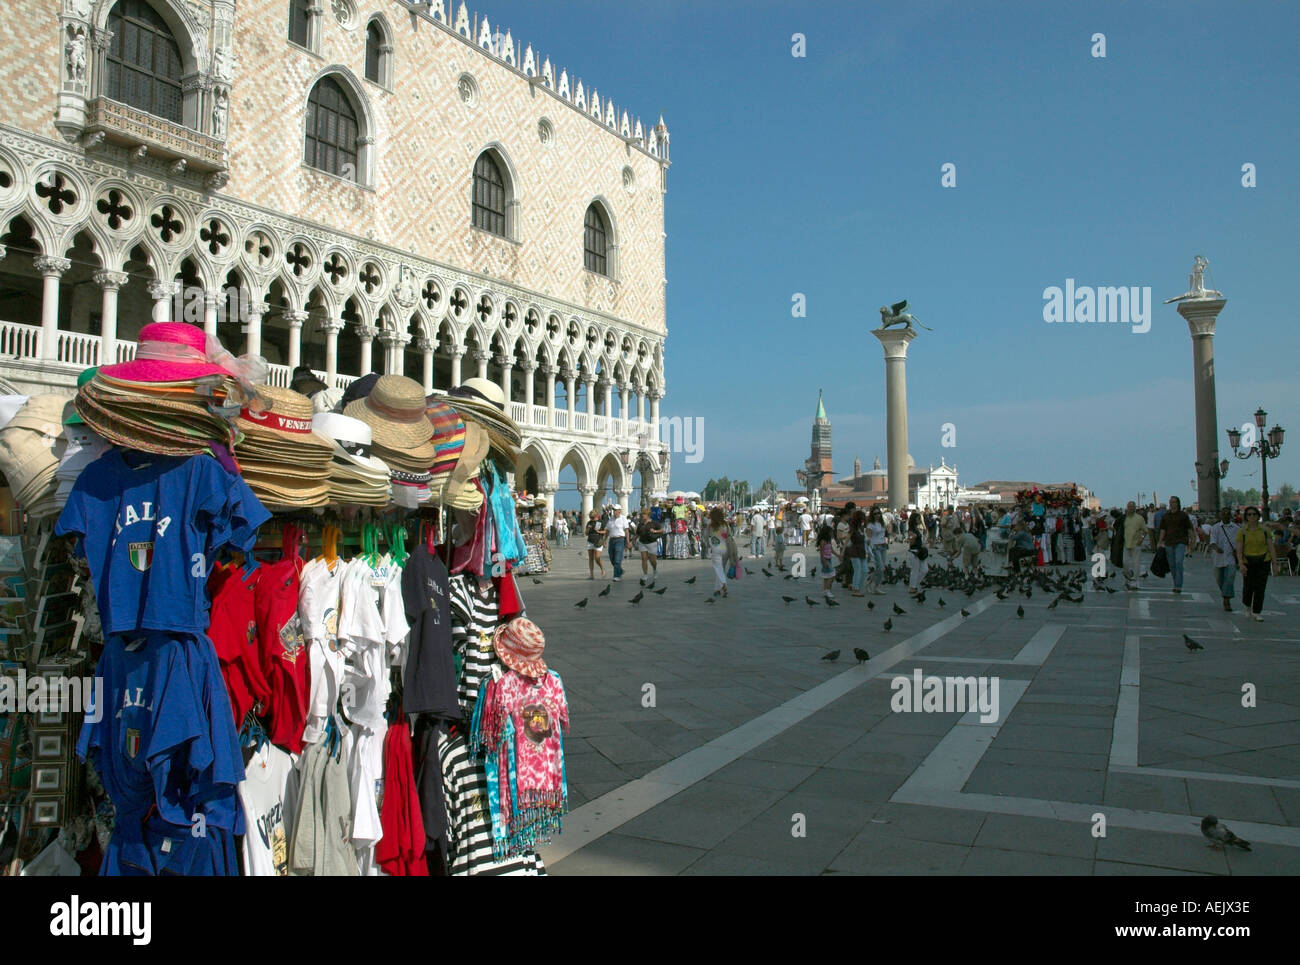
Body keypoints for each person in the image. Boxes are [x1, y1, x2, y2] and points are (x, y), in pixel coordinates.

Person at [1235, 507, 1277, 621]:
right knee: (1248, 586)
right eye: (1249, 515)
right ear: (1246, 517)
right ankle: (1247, 606)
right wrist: (1240, 563)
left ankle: (1257, 611)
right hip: (1248, 561)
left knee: (1260, 587)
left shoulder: (1265, 531)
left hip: (1263, 560)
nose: (1252, 517)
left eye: (1254, 514)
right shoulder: (1242, 532)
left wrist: (1274, 562)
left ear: (1258, 516)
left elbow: (1270, 546)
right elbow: (1239, 549)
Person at [1156, 495, 1193, 593]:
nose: (1172, 504)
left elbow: (1189, 529)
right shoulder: (1166, 516)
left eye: (1173, 502)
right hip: (1169, 542)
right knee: (1172, 565)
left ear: (1178, 503)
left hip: (1181, 542)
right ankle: (1175, 582)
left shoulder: (1183, 515)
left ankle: (1178, 585)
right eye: (1170, 502)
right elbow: (1163, 530)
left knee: (1179, 562)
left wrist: (1192, 541)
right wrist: (1160, 541)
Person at [1208, 507, 1240, 611]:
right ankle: (1225, 594)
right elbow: (1212, 541)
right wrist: (1216, 548)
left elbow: (1239, 543)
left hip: (1231, 558)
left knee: (1229, 578)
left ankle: (1227, 600)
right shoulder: (1215, 528)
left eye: (1227, 513)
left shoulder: (1236, 528)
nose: (1225, 515)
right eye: (1223, 513)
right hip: (1218, 558)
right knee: (1220, 579)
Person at [704, 506, 736, 598]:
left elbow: (706, 536)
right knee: (721, 568)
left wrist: (708, 545)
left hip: (716, 548)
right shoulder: (725, 524)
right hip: (725, 547)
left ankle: (723, 584)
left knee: (718, 569)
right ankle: (717, 590)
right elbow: (729, 535)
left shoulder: (710, 524)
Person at [634, 509, 664, 587]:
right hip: (642, 542)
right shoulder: (640, 524)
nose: (642, 515)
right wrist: (631, 542)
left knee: (652, 560)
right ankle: (645, 574)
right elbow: (637, 534)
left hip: (652, 543)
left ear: (648, 515)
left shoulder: (654, 523)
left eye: (644, 514)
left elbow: (661, 530)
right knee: (644, 558)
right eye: (642, 514)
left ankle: (654, 569)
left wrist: (655, 531)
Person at [1122, 501, 1146, 590]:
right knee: (1125, 563)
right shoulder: (1124, 518)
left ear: (1135, 508)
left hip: (1136, 544)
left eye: (1132, 506)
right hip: (1126, 544)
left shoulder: (1140, 518)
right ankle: (1127, 578)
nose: (1131, 508)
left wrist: (1141, 539)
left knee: (1136, 563)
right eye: (1129, 507)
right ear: (1127, 508)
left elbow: (1145, 531)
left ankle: (1135, 581)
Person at [846, 510, 869, 597]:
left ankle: (855, 585)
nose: (863, 521)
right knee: (858, 569)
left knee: (865, 570)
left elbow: (865, 541)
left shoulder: (862, 529)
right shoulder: (853, 529)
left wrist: (868, 552)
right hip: (854, 550)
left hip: (862, 551)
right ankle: (856, 589)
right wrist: (842, 551)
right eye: (861, 519)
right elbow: (847, 540)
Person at [605, 505, 630, 582]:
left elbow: (626, 531)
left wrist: (628, 542)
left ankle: (616, 576)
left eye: (616, 510)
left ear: (619, 510)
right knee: (611, 557)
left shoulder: (623, 519)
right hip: (612, 540)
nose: (614, 511)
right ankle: (620, 570)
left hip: (620, 539)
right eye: (613, 510)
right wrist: (604, 540)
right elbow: (607, 530)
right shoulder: (611, 519)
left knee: (617, 558)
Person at [866, 507, 888, 594]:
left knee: (881, 568)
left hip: (883, 546)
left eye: (878, 513)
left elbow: (885, 533)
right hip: (875, 547)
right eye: (875, 513)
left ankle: (871, 584)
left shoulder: (882, 523)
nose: (877, 515)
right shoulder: (870, 525)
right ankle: (875, 586)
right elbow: (868, 538)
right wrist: (869, 551)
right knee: (881, 568)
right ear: (872, 515)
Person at [815, 523, 837, 600]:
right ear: (827, 533)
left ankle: (824, 591)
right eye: (831, 532)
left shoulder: (828, 541)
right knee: (832, 575)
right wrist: (824, 562)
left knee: (826, 577)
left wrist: (838, 555)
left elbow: (831, 550)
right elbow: (821, 553)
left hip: (829, 559)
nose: (832, 533)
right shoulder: (823, 541)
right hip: (825, 560)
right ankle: (827, 591)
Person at [584, 510, 606, 580]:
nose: (592, 519)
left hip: (598, 541)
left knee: (597, 558)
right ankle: (591, 575)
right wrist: (588, 529)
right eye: (591, 518)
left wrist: (598, 531)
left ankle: (602, 569)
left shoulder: (601, 522)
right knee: (590, 558)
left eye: (593, 517)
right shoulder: (589, 523)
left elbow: (605, 531)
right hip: (590, 541)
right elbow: (586, 533)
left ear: (596, 516)